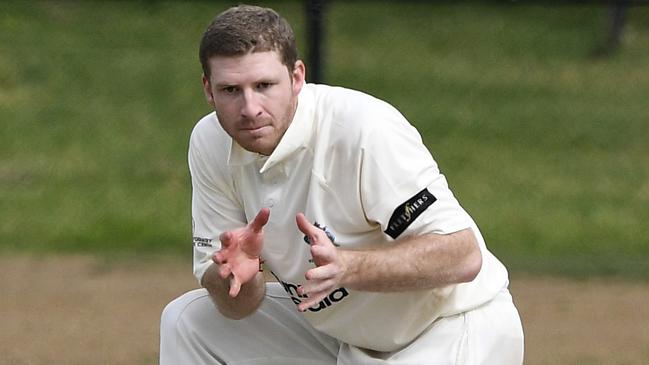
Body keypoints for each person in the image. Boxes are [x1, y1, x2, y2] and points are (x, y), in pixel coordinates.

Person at [160, 4, 524, 364]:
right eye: (230, 90)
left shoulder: (363, 127)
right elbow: (236, 305)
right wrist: (243, 277)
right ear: (208, 90)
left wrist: (348, 268)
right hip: (346, 336)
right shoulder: (209, 142)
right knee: (187, 323)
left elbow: (462, 255)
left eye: (264, 85)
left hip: (452, 326)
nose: (250, 107)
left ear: (297, 77)